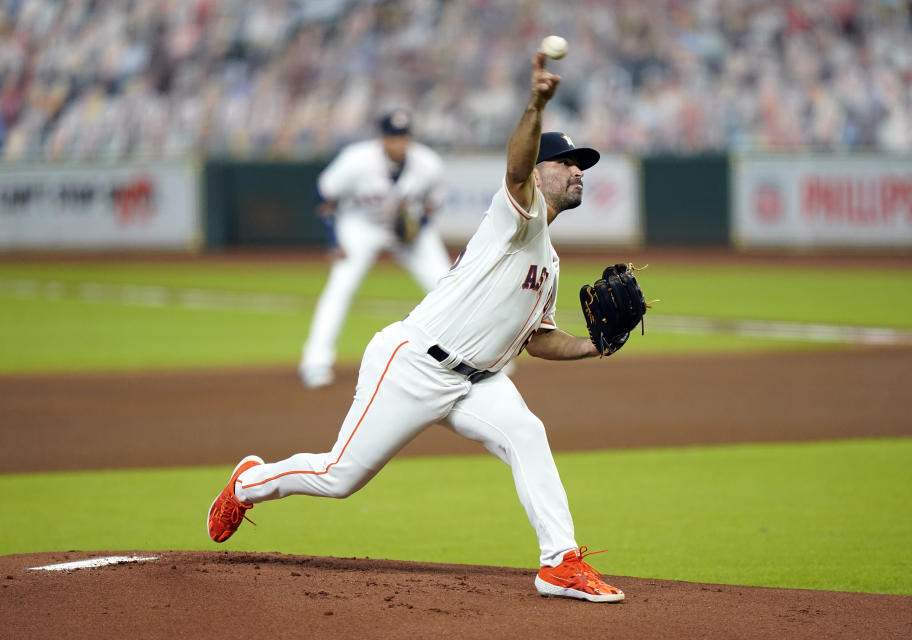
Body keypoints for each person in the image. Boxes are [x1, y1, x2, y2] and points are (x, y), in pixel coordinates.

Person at [208, 48, 626, 603]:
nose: (579, 172)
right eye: (569, 162)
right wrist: (535, 105)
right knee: (339, 478)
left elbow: (539, 338)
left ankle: (561, 564)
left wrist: (594, 345)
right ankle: (248, 484)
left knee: (528, 434)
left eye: (583, 166)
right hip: (411, 364)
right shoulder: (516, 216)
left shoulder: (547, 261)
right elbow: (516, 166)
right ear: (541, 171)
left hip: (477, 382)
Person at [299, 108, 452, 388]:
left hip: (408, 230)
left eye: (404, 137)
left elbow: (434, 202)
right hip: (361, 227)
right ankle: (315, 362)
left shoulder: (428, 163)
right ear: (381, 138)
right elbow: (323, 196)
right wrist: (334, 240)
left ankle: (475, 357)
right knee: (340, 288)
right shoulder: (355, 160)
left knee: (448, 286)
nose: (399, 143)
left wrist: (420, 225)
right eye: (393, 137)